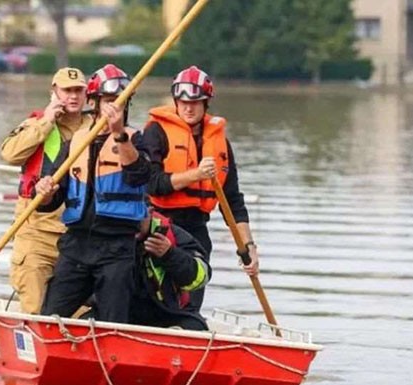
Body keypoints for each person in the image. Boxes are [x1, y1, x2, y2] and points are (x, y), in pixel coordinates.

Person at [35, 64, 151, 323]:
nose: (115, 108)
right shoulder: (74, 143)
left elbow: (140, 176)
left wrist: (119, 134)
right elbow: (52, 198)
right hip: (77, 245)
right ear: (95, 102)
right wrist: (44, 192)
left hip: (117, 247)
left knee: (113, 320)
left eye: (120, 102)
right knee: (50, 316)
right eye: (110, 101)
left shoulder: (136, 139)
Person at [142, 65, 259, 310]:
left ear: (206, 103)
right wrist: (196, 174)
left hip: (196, 229)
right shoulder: (156, 133)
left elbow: (233, 201)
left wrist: (247, 247)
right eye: (182, 101)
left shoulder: (220, 143)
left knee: (191, 297)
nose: (188, 107)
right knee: (156, 297)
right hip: (161, 225)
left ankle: (189, 327)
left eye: (195, 102)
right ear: (175, 101)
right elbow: (153, 184)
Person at [0, 67, 92, 313]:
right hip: (37, 234)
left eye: (78, 91)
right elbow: (10, 154)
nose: (73, 96)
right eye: (67, 91)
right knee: (35, 309)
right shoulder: (37, 123)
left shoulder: (97, 126)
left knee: (81, 312)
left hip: (78, 236)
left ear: (87, 94)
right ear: (54, 93)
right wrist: (46, 122)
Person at [131, 210, 211, 330]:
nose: (133, 223)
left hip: (166, 311)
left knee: (195, 326)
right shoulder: (103, 233)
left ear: (150, 211)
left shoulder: (173, 234)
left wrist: (170, 255)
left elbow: (202, 275)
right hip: (118, 310)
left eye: (138, 216)